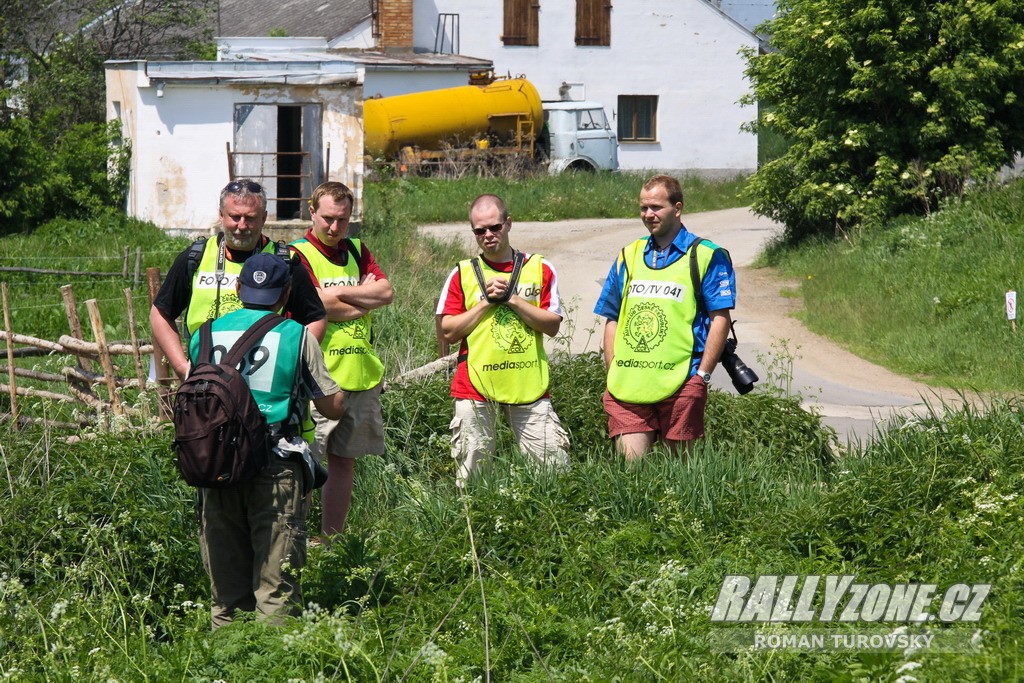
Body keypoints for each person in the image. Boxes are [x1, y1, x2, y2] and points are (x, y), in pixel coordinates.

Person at [187, 253, 345, 628]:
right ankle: (274, 665)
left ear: (239, 288)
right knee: (276, 588)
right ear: (286, 293)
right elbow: (332, 407)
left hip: (216, 465)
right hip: (274, 466)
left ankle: (224, 663)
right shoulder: (296, 334)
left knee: (225, 594)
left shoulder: (203, 335)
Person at [594, 174, 736, 460]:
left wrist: (702, 376)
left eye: (656, 207)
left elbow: (720, 319)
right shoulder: (628, 255)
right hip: (629, 385)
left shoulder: (707, 255)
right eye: (643, 207)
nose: (648, 214)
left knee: (682, 475)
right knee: (630, 474)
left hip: (682, 380)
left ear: (678, 208)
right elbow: (612, 318)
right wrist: (612, 371)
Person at [436, 193, 570, 486]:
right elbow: (447, 331)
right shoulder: (462, 273)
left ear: (508, 223)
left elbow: (552, 326)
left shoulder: (540, 268)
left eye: (494, 227)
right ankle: (472, 527)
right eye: (479, 230)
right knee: (472, 476)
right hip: (474, 387)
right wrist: (485, 302)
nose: (488, 235)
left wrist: (513, 299)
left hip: (529, 385)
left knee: (553, 473)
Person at [289, 181, 393, 537]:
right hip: (317, 379)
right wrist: (361, 296)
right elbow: (313, 305)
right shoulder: (296, 254)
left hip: (360, 375)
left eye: (343, 220)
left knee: (344, 463)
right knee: (305, 462)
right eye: (328, 219)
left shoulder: (357, 249)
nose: (335, 228)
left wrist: (336, 295)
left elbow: (386, 292)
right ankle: (297, 541)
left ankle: (331, 541)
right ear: (312, 212)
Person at [150, 179, 326, 381]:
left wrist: (291, 361)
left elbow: (316, 317)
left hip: (264, 379)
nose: (242, 226)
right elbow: (161, 312)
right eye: (235, 217)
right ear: (221, 215)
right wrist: (182, 367)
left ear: (264, 218)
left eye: (250, 218)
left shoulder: (284, 262)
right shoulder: (195, 258)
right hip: (206, 379)